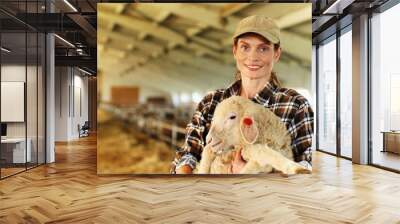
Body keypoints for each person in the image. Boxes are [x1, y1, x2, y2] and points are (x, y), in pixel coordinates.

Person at [170, 15, 314, 174]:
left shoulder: (295, 105)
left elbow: (308, 167)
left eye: (263, 48)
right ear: (234, 50)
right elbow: (187, 155)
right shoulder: (211, 102)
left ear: (277, 54)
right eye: (245, 47)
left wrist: (248, 173)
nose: (253, 57)